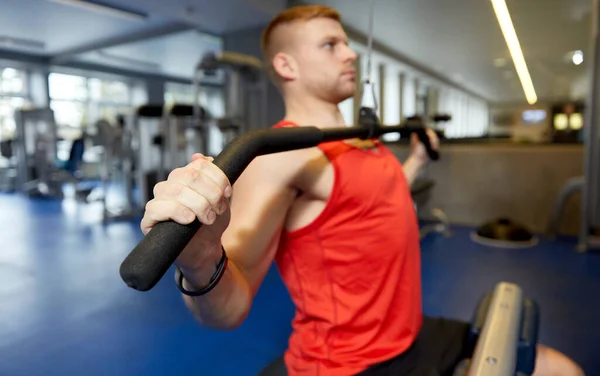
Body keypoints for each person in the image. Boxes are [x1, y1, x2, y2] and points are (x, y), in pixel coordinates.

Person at [140, 5, 585, 376]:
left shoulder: (361, 140)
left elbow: (370, 205)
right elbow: (227, 310)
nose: (350, 54)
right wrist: (200, 255)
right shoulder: (283, 154)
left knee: (560, 369)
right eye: (330, 45)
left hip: (409, 332)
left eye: (347, 43)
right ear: (286, 65)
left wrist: (414, 162)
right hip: (349, 363)